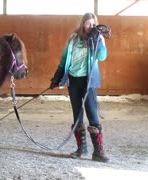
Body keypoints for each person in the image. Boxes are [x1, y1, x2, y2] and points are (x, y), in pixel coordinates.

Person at [49, 13, 109, 162]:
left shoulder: (98, 38)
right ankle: (81, 148)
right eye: (88, 24)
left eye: (93, 24)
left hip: (89, 81)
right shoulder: (73, 38)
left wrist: (96, 41)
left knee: (92, 114)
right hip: (73, 80)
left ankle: (98, 152)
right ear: (83, 24)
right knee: (77, 115)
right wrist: (57, 76)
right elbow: (65, 59)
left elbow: (102, 57)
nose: (91, 27)